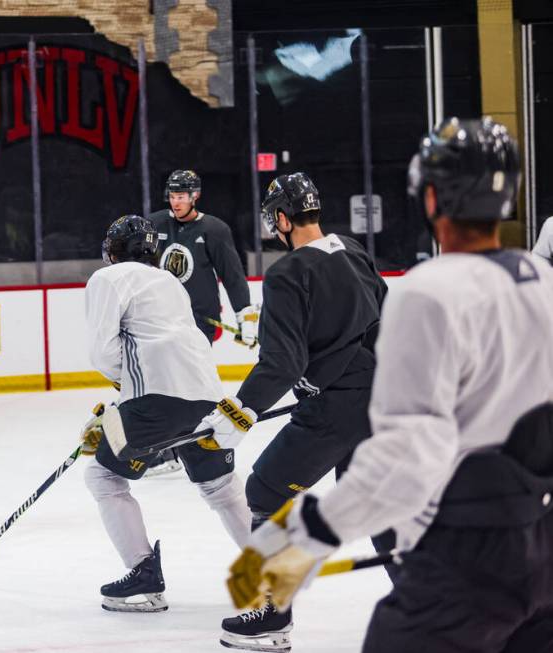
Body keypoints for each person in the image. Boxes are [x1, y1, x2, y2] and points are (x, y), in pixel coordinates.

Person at [227, 117, 553, 652]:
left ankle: (271, 612)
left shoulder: (429, 293)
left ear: (429, 197)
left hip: (474, 549)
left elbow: (403, 454)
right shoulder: (540, 278)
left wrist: (301, 539)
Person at [218, 172, 388, 652]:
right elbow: (380, 327)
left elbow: (281, 363)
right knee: (379, 512)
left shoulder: (287, 273)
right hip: (379, 404)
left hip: (334, 414)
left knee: (265, 489)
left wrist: (240, 410)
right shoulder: (354, 251)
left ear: (284, 219)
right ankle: (438, 611)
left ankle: (273, 615)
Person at [80, 213, 254, 613]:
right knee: (221, 488)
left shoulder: (107, 278)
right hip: (207, 394)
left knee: (103, 477)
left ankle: (143, 575)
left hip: (155, 398)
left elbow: (102, 351)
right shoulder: (170, 281)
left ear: (113, 250)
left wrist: (123, 404)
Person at [146, 170, 258, 476]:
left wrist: (245, 315)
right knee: (163, 383)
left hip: (198, 324)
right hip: (163, 320)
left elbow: (232, 275)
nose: (176, 201)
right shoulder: (155, 224)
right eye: (172, 195)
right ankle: (169, 450)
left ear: (195, 196)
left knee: (189, 383)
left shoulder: (214, 229)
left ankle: (198, 444)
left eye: (182, 196)